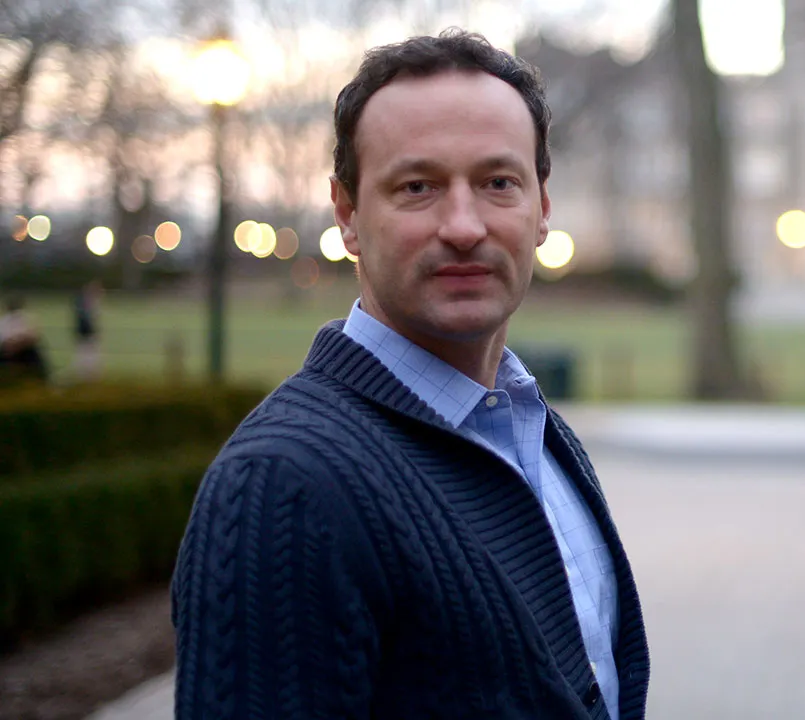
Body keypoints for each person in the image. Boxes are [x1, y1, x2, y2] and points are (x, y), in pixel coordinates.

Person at [171, 30, 649, 720]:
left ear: (542, 208)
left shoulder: (533, 430)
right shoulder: (284, 487)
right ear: (348, 214)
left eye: (498, 183)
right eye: (417, 186)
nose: (463, 225)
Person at [0, 294, 48, 385]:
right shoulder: (6, 320)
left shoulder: (24, 318)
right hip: (11, 351)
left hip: (23, 350)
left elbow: (33, 336)